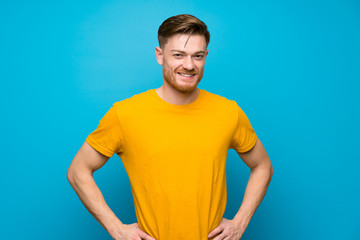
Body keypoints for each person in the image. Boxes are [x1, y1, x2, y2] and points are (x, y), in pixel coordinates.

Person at [67, 14, 273, 240]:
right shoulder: (124, 114)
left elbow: (262, 166)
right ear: (159, 56)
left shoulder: (228, 112)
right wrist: (116, 228)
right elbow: (78, 171)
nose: (189, 65)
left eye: (198, 56)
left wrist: (240, 221)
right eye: (178, 55)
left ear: (206, 57)